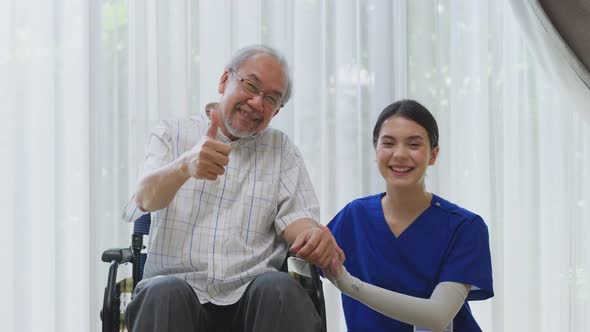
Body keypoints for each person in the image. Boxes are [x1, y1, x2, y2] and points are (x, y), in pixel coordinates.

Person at [121, 45, 337, 332]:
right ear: (225, 81)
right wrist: (184, 166)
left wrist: (313, 236)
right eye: (251, 85)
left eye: (271, 98)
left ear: (277, 110)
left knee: (281, 288)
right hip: (177, 293)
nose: (257, 102)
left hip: (254, 299)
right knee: (163, 293)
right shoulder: (171, 134)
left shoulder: (281, 150)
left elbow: (298, 220)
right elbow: (145, 198)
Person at [324, 99, 494, 332]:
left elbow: (437, 316)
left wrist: (349, 284)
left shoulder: (464, 227)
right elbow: (299, 268)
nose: (400, 154)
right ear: (376, 151)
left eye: (414, 145)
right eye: (388, 143)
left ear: (433, 155)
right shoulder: (353, 217)